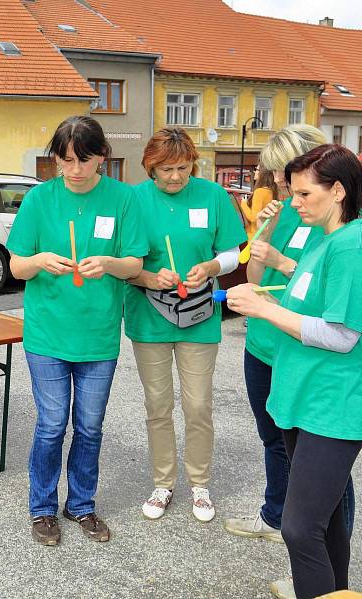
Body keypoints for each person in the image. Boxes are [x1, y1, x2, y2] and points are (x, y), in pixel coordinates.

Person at [226, 144, 362, 598]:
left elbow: (343, 335)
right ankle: (335, 591)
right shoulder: (324, 239)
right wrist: (269, 301)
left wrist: (264, 312)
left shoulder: (351, 245)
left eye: (304, 193)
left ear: (339, 190)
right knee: (325, 526)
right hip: (302, 397)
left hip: (333, 404)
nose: (294, 201)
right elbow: (304, 304)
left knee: (299, 528)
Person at [6, 116, 147, 546]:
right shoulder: (39, 200)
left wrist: (107, 263)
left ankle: (81, 504)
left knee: (89, 426)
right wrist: (39, 260)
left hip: (99, 334)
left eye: (85, 160)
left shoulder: (123, 199)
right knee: (51, 424)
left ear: (101, 156)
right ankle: (43, 507)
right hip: (48, 333)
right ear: (56, 159)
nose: (75, 170)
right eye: (66, 160)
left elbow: (136, 264)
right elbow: (16, 265)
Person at [124, 127, 246, 523]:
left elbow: (231, 254)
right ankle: (163, 483)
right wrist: (147, 277)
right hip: (149, 315)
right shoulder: (133, 199)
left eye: (183, 167)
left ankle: (200, 484)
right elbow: (122, 262)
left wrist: (210, 267)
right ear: (150, 167)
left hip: (199, 316)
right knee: (158, 405)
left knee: (197, 405)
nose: (176, 177)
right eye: (166, 169)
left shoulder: (212, 196)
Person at [240, 166, 276, 238]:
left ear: (262, 173)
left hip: (253, 235)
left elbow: (253, 218)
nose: (254, 172)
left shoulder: (259, 192)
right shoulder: (272, 192)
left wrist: (243, 203)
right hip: (265, 235)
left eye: (256, 169)